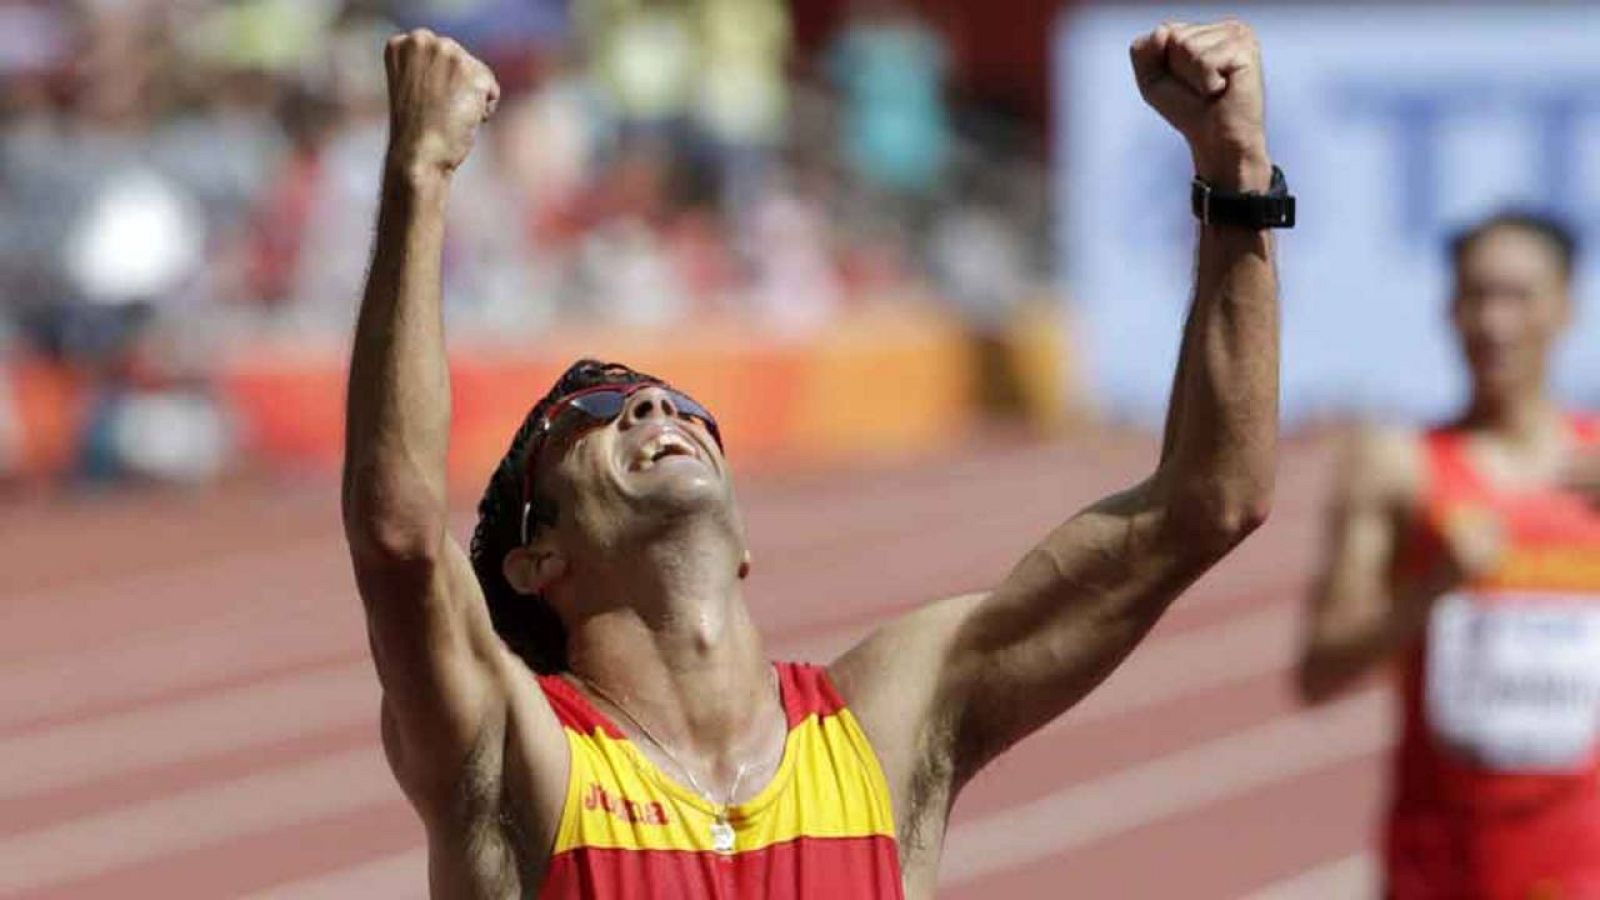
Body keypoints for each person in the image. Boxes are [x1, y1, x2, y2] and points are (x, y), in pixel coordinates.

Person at [343, 20, 1282, 898]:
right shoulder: (524, 753)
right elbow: (399, 535)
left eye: (680, 405)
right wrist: (420, 172)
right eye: (588, 415)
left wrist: (1234, 172)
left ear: (743, 540)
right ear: (535, 558)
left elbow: (1212, 501)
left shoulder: (886, 723)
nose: (654, 407)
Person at [1298, 212, 1600, 897]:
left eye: (1518, 297)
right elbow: (1319, 672)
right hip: (1442, 863)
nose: (1495, 322)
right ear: (1450, 309)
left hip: (1583, 860)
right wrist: (1432, 588)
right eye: (1476, 296)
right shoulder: (1399, 469)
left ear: (1565, 309)